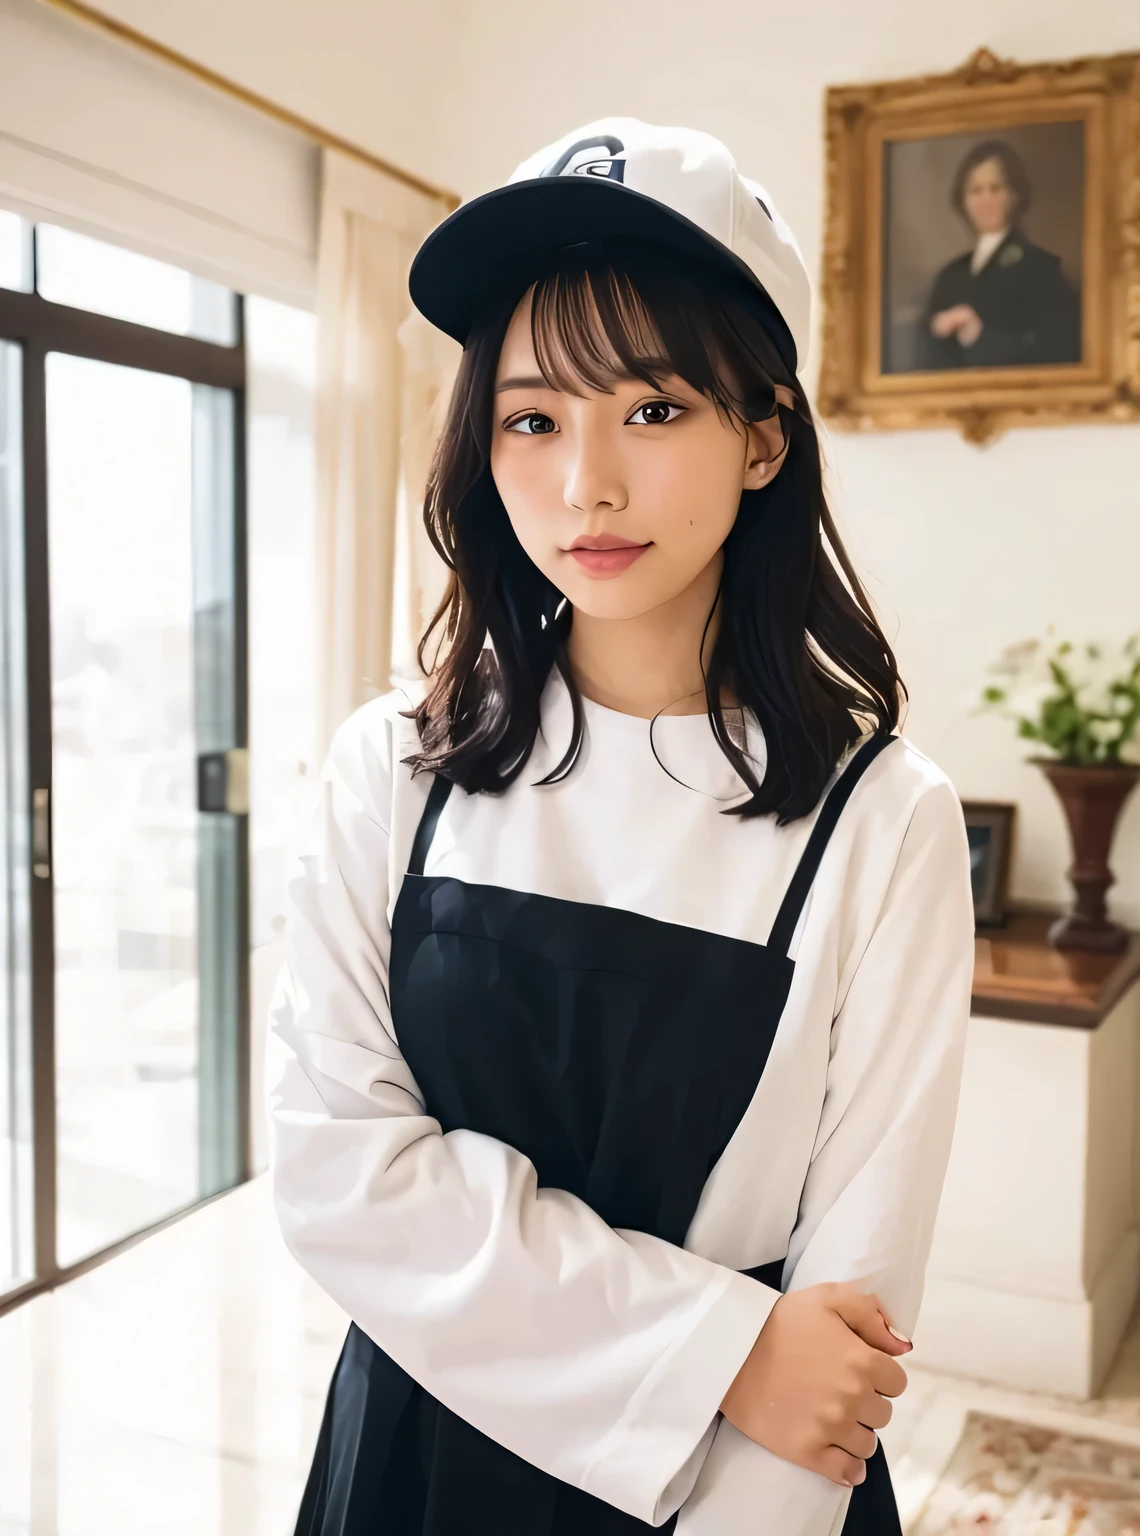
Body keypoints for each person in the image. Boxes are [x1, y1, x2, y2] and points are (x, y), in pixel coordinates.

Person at [267, 118, 974, 1536]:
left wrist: (759, 1387)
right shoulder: (389, 772)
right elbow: (339, 1171)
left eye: (652, 409)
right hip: (408, 1462)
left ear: (764, 436)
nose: (584, 482)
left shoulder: (882, 821)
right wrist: (725, 1351)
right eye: (533, 418)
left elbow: (839, 1346)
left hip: (740, 1493)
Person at [921, 139, 1081, 370]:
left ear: (1015, 195)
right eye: (976, 191)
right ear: (963, 200)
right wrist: (936, 329)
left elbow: (1058, 351)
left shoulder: (1041, 269)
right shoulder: (950, 275)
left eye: (995, 189)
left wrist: (981, 338)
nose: (985, 200)